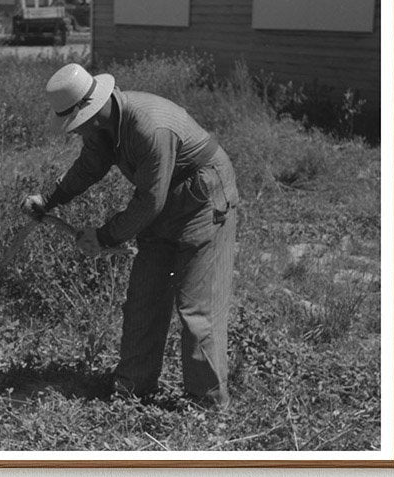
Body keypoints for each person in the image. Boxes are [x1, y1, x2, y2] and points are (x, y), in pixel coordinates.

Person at [22, 62, 239, 407]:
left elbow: (150, 200)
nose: (77, 132)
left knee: (197, 309)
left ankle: (207, 405)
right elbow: (89, 168)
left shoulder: (150, 128)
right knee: (144, 299)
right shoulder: (104, 128)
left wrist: (106, 236)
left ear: (92, 112)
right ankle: (132, 392)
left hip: (203, 203)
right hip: (163, 203)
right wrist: (50, 200)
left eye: (77, 125)